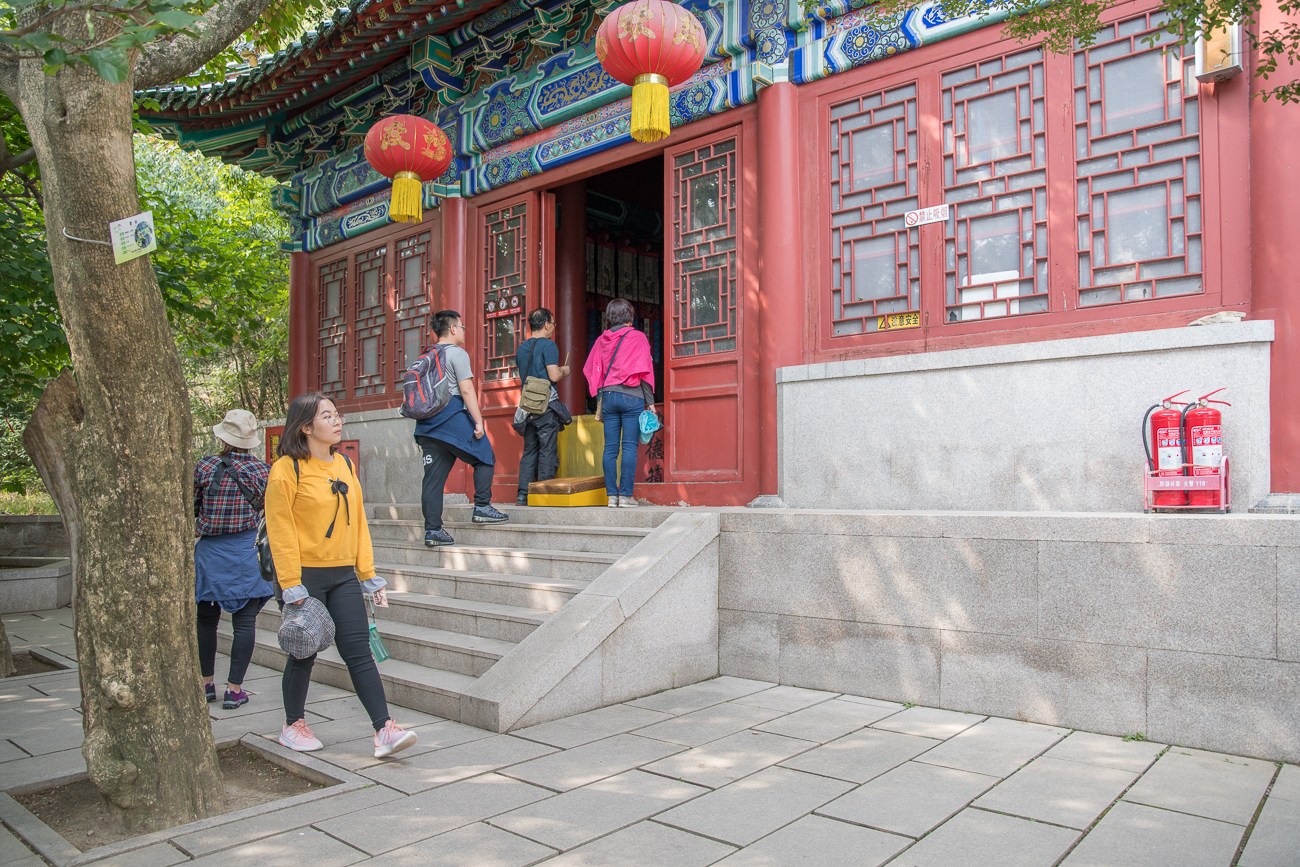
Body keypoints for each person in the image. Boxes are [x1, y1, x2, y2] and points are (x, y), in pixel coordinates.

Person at [264, 392, 418, 758]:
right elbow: (280, 530)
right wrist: (291, 585)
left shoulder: (344, 465)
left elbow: (357, 522)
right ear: (306, 427)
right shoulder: (286, 469)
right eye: (328, 416)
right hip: (305, 577)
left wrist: (368, 574)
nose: (337, 421)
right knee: (303, 653)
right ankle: (293, 724)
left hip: (344, 574)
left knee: (358, 650)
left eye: (337, 415)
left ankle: (384, 729)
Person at [193, 409, 271, 710]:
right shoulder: (264, 471)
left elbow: (194, 505)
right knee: (245, 623)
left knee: (206, 621)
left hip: (210, 552)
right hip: (246, 551)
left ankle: (205, 684)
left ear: (222, 437)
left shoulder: (205, 466)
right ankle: (234, 689)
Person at [414, 309, 509, 547]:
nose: (464, 330)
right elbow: (466, 390)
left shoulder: (426, 355)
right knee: (485, 454)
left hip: (425, 424)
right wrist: (479, 422)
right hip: (450, 416)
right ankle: (482, 507)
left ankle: (433, 530)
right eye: (463, 326)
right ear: (453, 329)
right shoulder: (457, 353)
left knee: (433, 479)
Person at [583, 298, 654, 508]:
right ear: (629, 316)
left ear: (610, 317)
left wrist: (599, 395)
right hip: (632, 396)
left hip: (608, 397)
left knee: (610, 448)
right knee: (630, 447)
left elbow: (590, 369)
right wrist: (650, 403)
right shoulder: (638, 337)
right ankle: (626, 496)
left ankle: (611, 496)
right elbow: (645, 373)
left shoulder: (601, 340)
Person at [514, 307, 570, 506]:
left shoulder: (521, 348)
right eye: (553, 324)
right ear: (546, 325)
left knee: (530, 449)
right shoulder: (549, 345)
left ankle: (523, 494)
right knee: (547, 448)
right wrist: (564, 370)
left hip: (527, 406)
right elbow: (553, 375)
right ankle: (544, 493)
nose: (553, 328)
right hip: (546, 405)